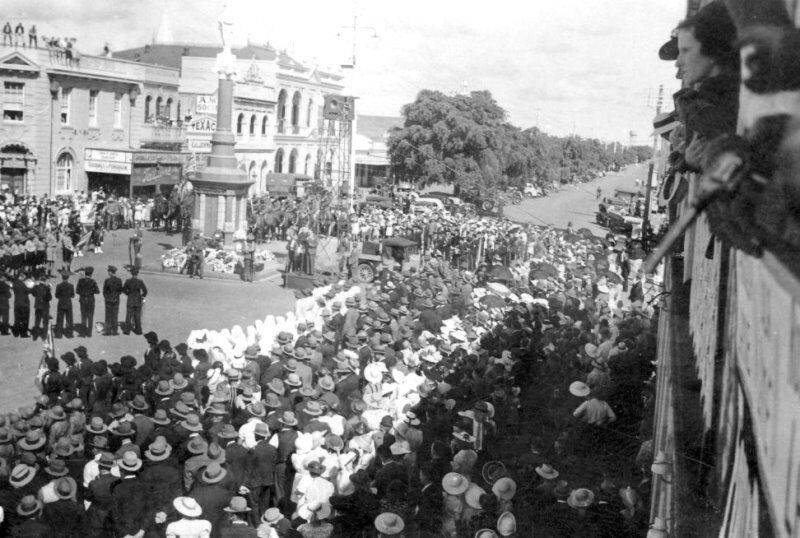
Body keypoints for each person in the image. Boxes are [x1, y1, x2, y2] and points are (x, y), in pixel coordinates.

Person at [122, 267, 147, 335]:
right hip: (138, 301)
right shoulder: (140, 282)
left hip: (130, 300)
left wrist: (128, 294)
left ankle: (127, 331)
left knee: (128, 316)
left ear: (131, 274)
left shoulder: (128, 281)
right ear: (137, 274)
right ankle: (138, 331)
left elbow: (123, 290)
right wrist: (142, 296)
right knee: (137, 316)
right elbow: (145, 291)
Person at [76, 266, 100, 337]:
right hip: (91, 300)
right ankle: (89, 333)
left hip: (83, 300)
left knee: (83, 316)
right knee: (90, 317)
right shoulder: (93, 281)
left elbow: (77, 291)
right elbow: (97, 291)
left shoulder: (80, 281)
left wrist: (83, 293)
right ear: (91, 274)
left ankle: (83, 333)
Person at [102, 265, 123, 335]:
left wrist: (107, 298)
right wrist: (116, 296)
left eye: (108, 271)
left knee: (108, 315)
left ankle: (107, 331)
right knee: (115, 315)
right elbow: (120, 291)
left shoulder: (107, 280)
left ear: (110, 272)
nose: (108, 272)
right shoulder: (119, 280)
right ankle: (114, 331)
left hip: (108, 300)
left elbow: (104, 291)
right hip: (116, 299)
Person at [31, 274, 51, 339]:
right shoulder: (47, 287)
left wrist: (34, 285)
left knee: (37, 321)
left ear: (40, 280)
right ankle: (44, 336)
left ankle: (35, 336)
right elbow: (49, 298)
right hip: (45, 307)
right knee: (45, 322)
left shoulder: (36, 287)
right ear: (45, 281)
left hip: (38, 306)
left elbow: (33, 294)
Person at [12, 273, 31, 338]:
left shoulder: (15, 283)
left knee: (17, 319)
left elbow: (14, 291)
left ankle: (16, 333)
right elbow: (28, 291)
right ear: (22, 277)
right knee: (25, 319)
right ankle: (23, 334)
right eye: (24, 278)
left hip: (17, 303)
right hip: (24, 304)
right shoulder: (23, 284)